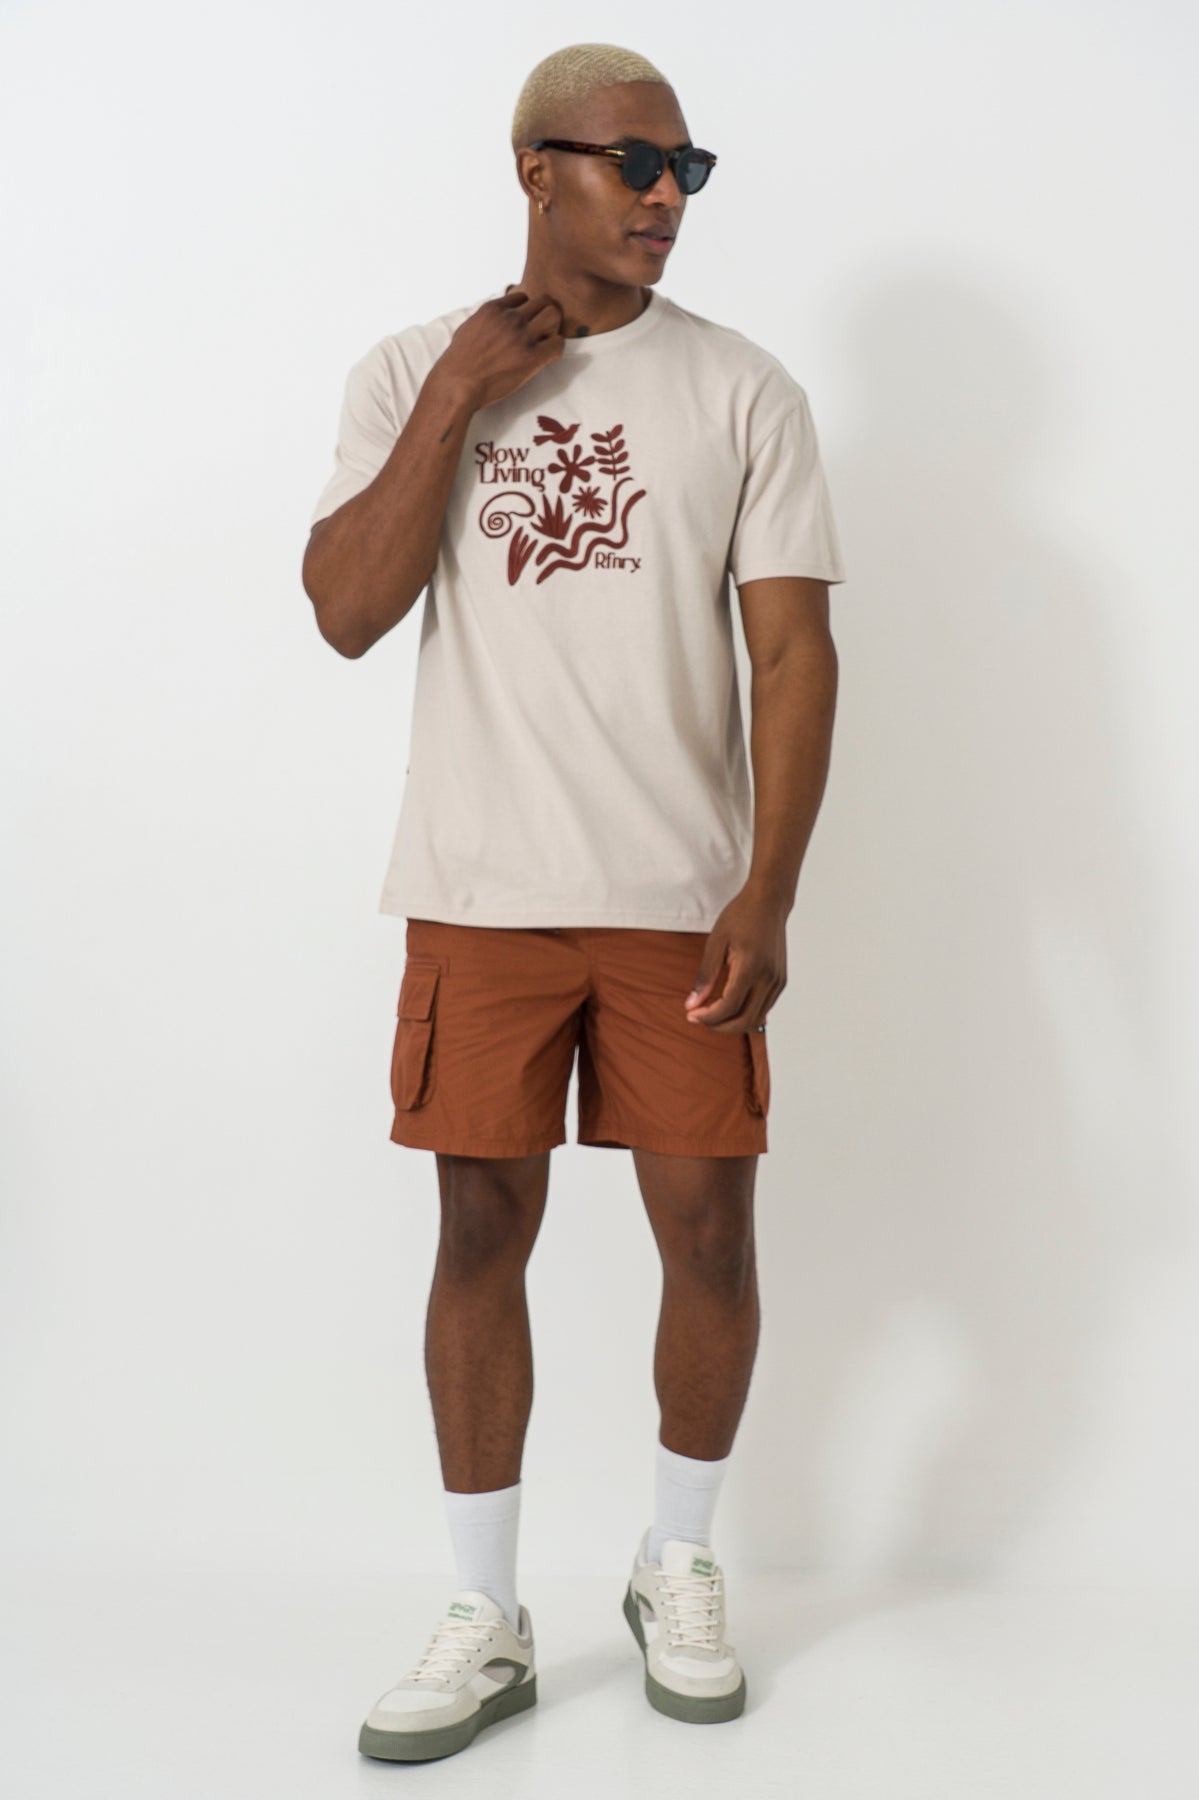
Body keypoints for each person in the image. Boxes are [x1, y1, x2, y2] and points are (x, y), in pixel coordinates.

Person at [302, 39, 846, 1764]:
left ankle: (676, 1560)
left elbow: (793, 652)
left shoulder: (744, 391)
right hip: (482, 889)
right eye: (636, 163)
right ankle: (486, 1613)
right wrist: (461, 394)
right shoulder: (411, 369)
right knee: (480, 1232)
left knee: (711, 1234)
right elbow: (346, 609)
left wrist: (768, 887)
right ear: (537, 169)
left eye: (690, 169)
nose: (669, 197)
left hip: (681, 896)